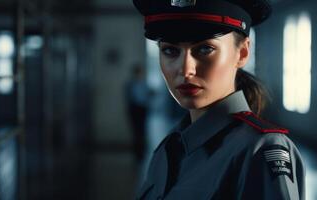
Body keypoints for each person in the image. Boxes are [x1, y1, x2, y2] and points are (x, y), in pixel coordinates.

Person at [132, 0, 305, 199]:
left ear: (242, 53)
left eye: (205, 49)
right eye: (170, 50)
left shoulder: (260, 150)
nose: (186, 69)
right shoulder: (169, 148)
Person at [125, 63, 151, 163]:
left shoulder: (144, 84)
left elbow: (146, 96)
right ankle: (137, 151)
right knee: (136, 130)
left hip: (142, 109)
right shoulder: (130, 84)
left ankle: (141, 151)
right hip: (135, 109)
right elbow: (130, 99)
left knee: (142, 129)